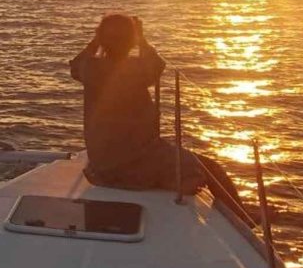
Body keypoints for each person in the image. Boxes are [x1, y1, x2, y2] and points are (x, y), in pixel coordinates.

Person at [69, 13, 253, 220]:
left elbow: (76, 64)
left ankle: (175, 180)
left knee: (179, 161)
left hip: (102, 162)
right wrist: (142, 39)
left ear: (101, 39)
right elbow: (156, 64)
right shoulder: (135, 70)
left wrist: (97, 41)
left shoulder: (90, 69)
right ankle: (243, 217)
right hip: (135, 159)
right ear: (131, 42)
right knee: (211, 168)